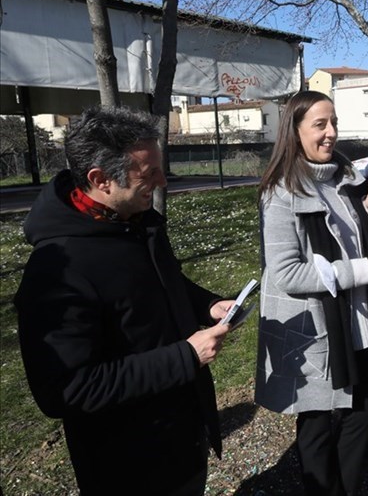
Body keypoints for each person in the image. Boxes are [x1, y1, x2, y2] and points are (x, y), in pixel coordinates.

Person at [15, 106, 235, 495]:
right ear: (100, 180)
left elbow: (161, 283)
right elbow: (66, 389)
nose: (163, 181)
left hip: (182, 437)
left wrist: (207, 305)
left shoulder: (136, 223)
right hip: (129, 466)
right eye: (149, 175)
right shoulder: (56, 271)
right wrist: (184, 357)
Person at [253, 91, 368, 496]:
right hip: (317, 330)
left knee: (363, 410)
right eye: (320, 125)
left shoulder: (343, 180)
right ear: (295, 131)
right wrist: (365, 270)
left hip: (355, 320)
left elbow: (340, 236)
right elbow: (287, 274)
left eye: (333, 122)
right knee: (317, 422)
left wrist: (364, 212)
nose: (331, 133)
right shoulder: (280, 194)